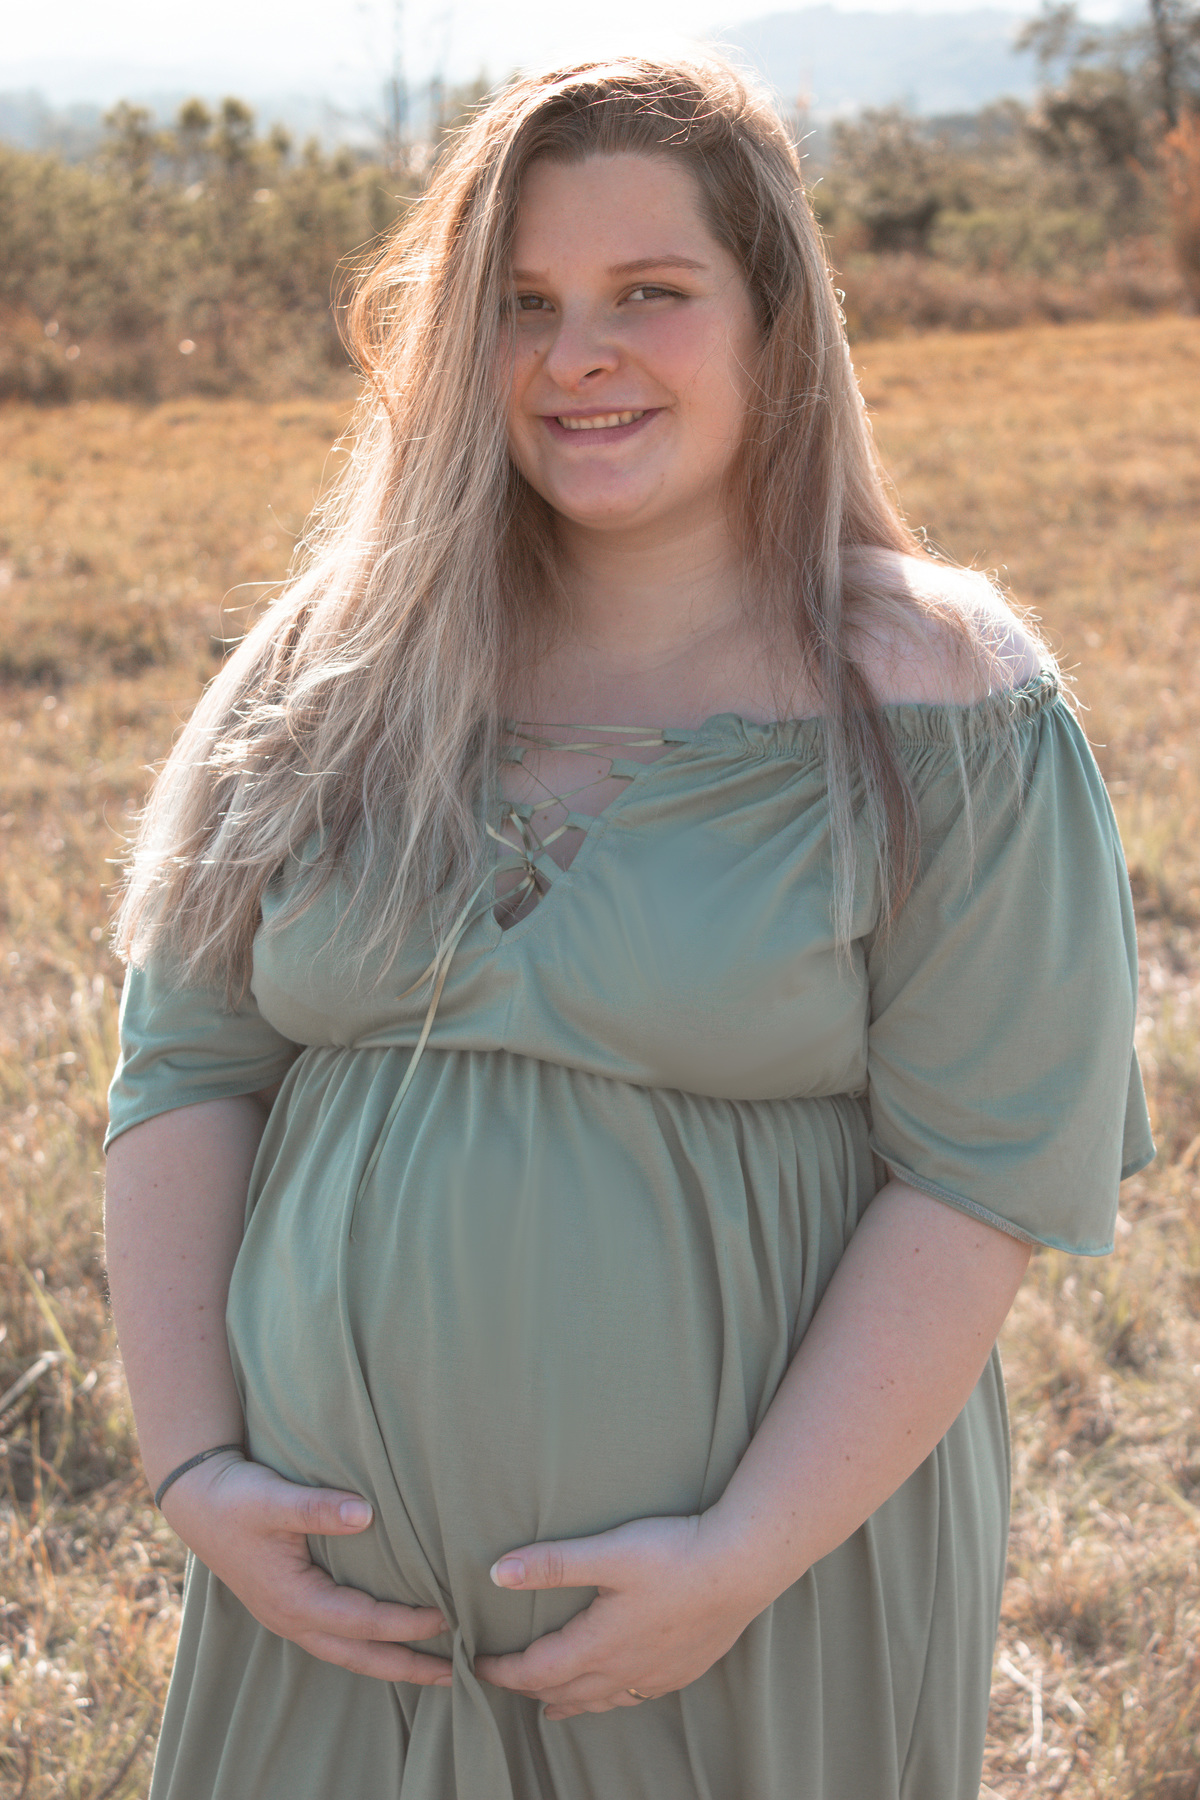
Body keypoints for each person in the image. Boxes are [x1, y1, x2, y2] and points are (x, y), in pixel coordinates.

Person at [103, 54, 1153, 1800]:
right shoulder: (338, 664)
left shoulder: (944, 699)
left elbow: (980, 1177)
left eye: (649, 293)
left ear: (775, 323)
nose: (576, 354)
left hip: (753, 1617)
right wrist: (196, 1468)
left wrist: (742, 1553)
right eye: (522, 304)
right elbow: (184, 1065)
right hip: (329, 1640)